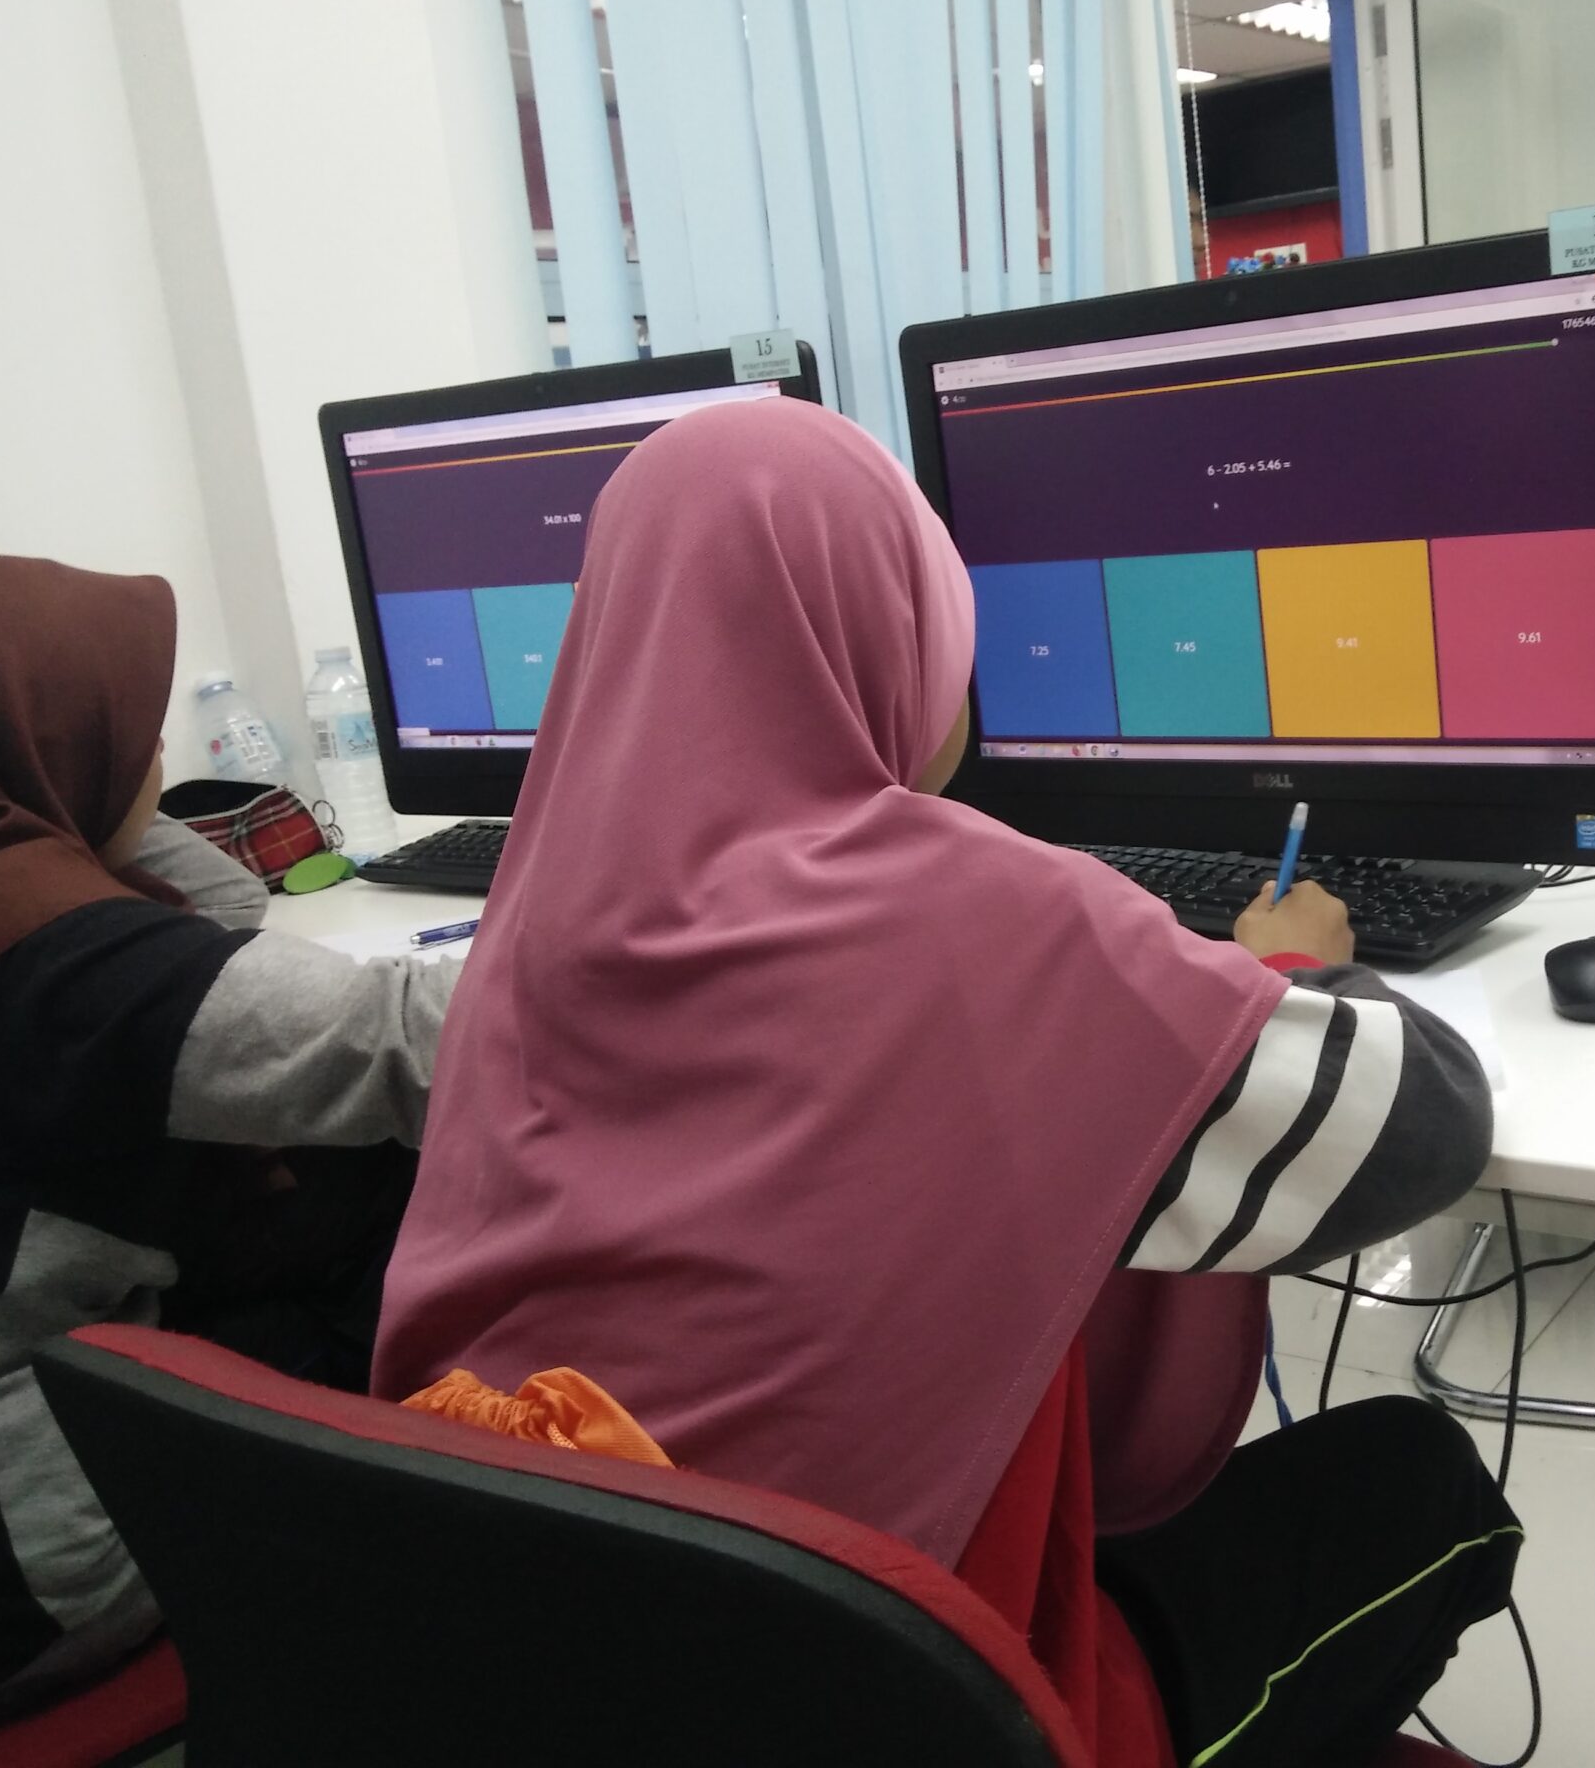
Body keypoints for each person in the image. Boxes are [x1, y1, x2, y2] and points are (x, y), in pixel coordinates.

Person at [373, 399, 1516, 1768]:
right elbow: (1425, 1123)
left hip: (545, 1648)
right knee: (1420, 1484)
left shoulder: (531, 918)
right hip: (891, 1703)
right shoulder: (986, 921)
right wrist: (1284, 970)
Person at [0, 556, 458, 1746]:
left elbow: (226, 913)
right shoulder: (55, 966)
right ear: (37, 740)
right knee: (389, 1189)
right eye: (127, 722)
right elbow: (421, 1043)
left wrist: (78, 813)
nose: (149, 750)